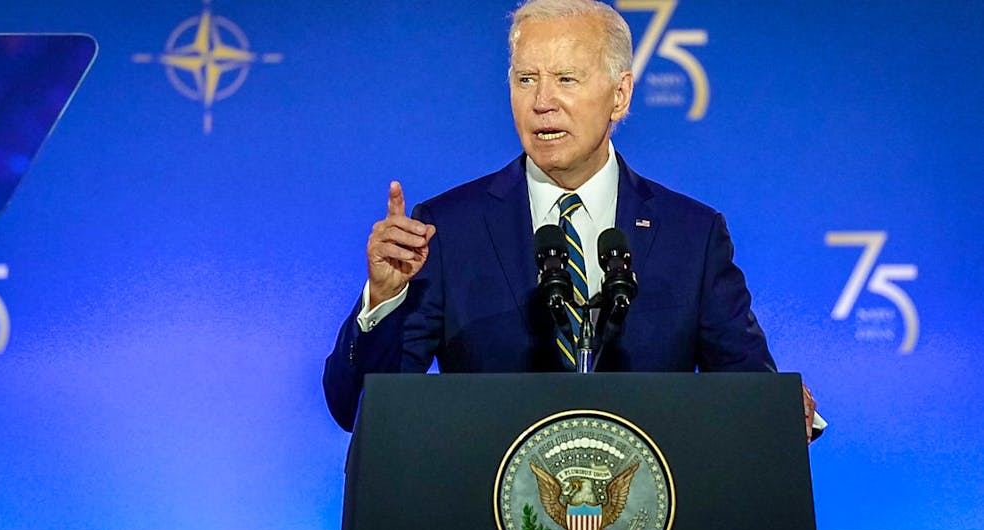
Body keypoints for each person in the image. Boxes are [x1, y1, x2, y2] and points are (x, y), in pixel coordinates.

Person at [324, 0, 820, 440]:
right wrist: (383, 300)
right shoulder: (449, 228)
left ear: (620, 96)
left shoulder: (691, 234)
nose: (542, 101)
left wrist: (782, 409)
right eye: (525, 79)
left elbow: (747, 390)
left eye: (565, 79)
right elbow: (359, 410)